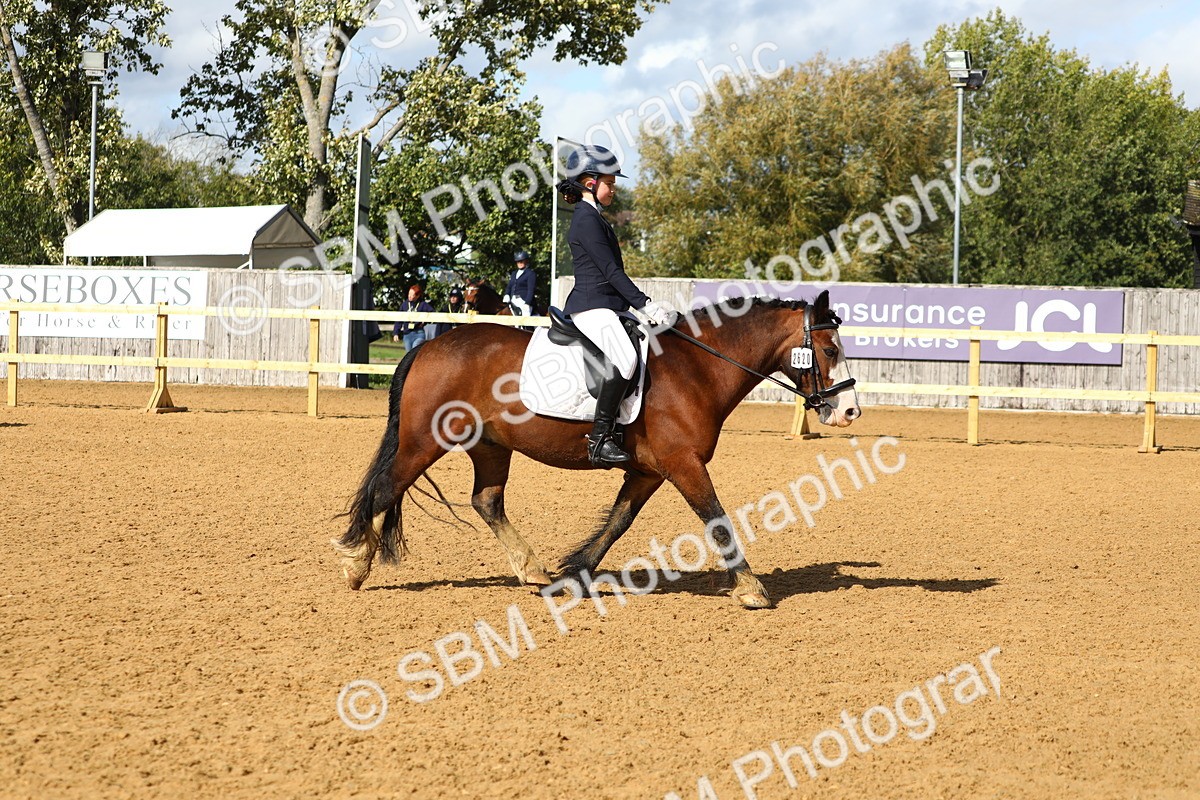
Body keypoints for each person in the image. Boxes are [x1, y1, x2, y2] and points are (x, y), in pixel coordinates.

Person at [556, 144, 675, 468]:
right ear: (590, 182)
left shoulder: (595, 217)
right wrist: (645, 305)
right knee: (624, 359)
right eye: (610, 181)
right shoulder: (585, 219)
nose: (615, 187)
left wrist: (638, 308)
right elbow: (610, 272)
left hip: (608, 305)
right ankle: (599, 439)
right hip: (591, 306)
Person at [391, 284, 433, 352]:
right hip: (407, 334)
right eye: (409, 294)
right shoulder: (404, 305)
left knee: (415, 351)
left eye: (412, 295)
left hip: (419, 333)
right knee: (409, 355)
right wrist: (396, 333)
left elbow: (432, 313)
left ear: (417, 296)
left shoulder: (423, 305)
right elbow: (399, 319)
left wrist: (424, 321)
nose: (410, 296)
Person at [503, 250, 536, 317]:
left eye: (522, 261)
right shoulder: (514, 273)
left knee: (525, 319)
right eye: (518, 261)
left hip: (523, 301)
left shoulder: (530, 274)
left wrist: (527, 303)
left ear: (526, 261)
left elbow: (531, 290)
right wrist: (507, 294)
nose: (520, 263)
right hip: (513, 300)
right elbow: (509, 286)